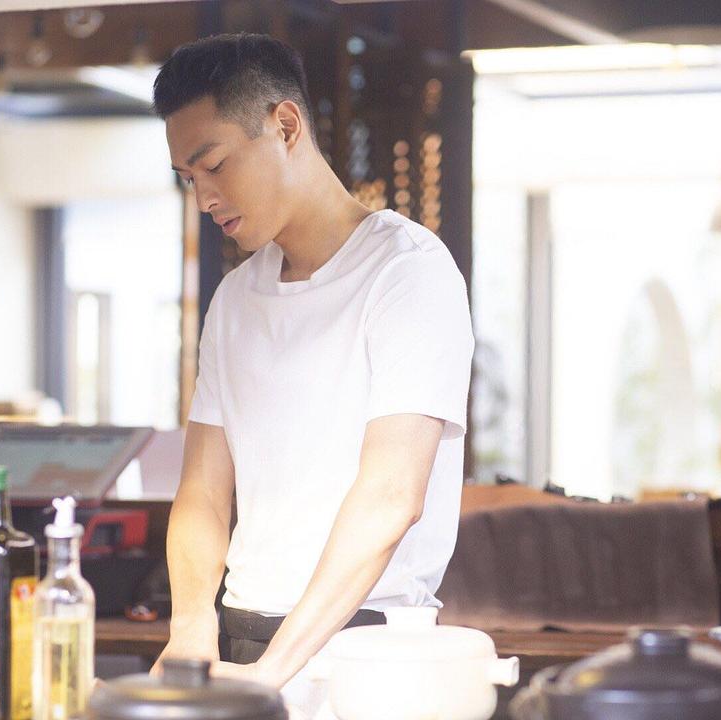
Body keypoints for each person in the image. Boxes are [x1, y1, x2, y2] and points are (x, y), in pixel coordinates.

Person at [151, 32, 475, 692]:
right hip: (242, 637)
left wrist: (275, 671)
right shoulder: (235, 298)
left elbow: (391, 497)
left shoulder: (407, 272)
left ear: (285, 125)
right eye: (189, 178)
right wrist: (190, 631)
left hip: (365, 647)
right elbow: (203, 493)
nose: (204, 197)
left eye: (215, 165)